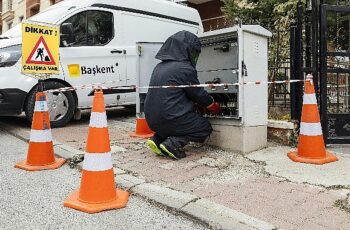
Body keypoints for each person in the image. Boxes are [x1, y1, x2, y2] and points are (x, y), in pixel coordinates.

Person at [144, 30, 221, 160]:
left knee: (171, 122)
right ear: (187, 50)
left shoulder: (159, 67)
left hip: (152, 120)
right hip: (170, 118)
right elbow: (198, 94)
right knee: (204, 128)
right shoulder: (184, 68)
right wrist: (213, 105)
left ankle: (157, 139)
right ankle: (173, 144)